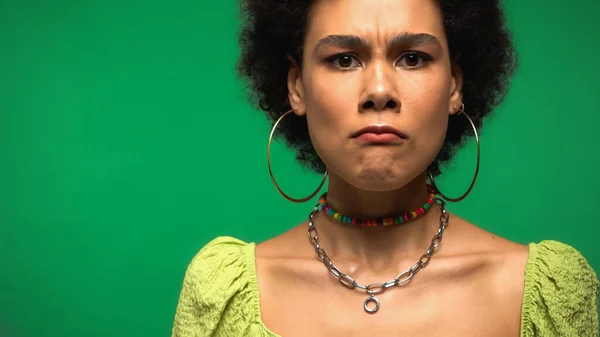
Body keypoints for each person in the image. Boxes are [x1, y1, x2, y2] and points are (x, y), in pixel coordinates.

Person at [171, 0, 599, 336]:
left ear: (455, 85)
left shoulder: (544, 294)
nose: (379, 91)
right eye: (343, 59)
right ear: (296, 86)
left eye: (412, 58)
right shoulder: (223, 295)